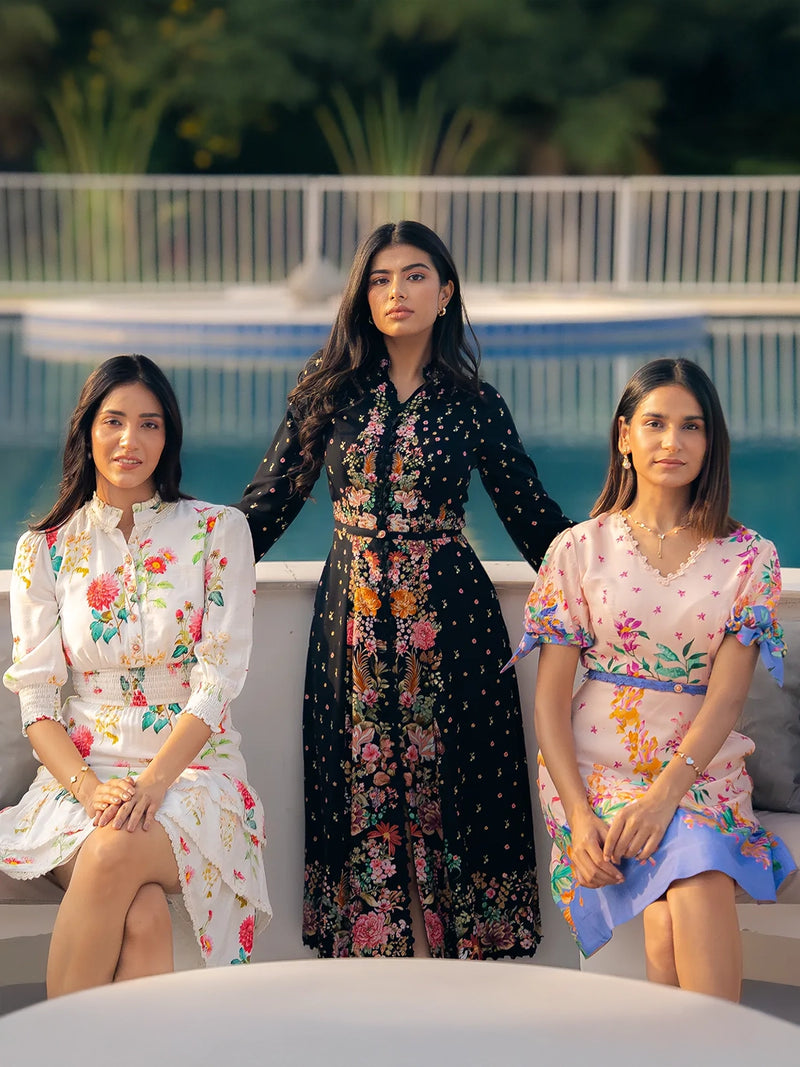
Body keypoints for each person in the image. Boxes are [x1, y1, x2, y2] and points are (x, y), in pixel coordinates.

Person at [236, 220, 570, 958]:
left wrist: (626, 560)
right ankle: (378, 1001)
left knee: (462, 804)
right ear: (363, 295)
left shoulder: (476, 405)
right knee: (361, 801)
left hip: (455, 626)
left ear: (445, 292)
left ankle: (465, 999)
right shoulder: (325, 392)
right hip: (348, 630)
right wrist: (174, 558)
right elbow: (266, 507)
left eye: (416, 275)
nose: (397, 292)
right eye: (382, 279)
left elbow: (535, 519)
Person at [505, 356, 795, 1001]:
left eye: (692, 426)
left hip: (700, 770)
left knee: (689, 882)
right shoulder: (577, 549)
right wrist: (579, 816)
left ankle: (708, 1048)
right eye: (656, 423)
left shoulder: (750, 557)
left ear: (710, 441)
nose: (673, 442)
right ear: (624, 436)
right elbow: (549, 701)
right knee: (681, 893)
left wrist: (666, 793)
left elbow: (727, 697)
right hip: (594, 775)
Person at [1, 354, 270, 997]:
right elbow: (38, 701)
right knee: (142, 915)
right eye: (114, 421)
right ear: (87, 431)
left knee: (113, 850)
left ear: (167, 438)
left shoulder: (217, 532)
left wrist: (151, 785)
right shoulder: (46, 547)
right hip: (80, 784)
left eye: (149, 425)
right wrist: (91, 790)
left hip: (194, 779)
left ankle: (45, 1052)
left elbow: (218, 683)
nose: (131, 440)